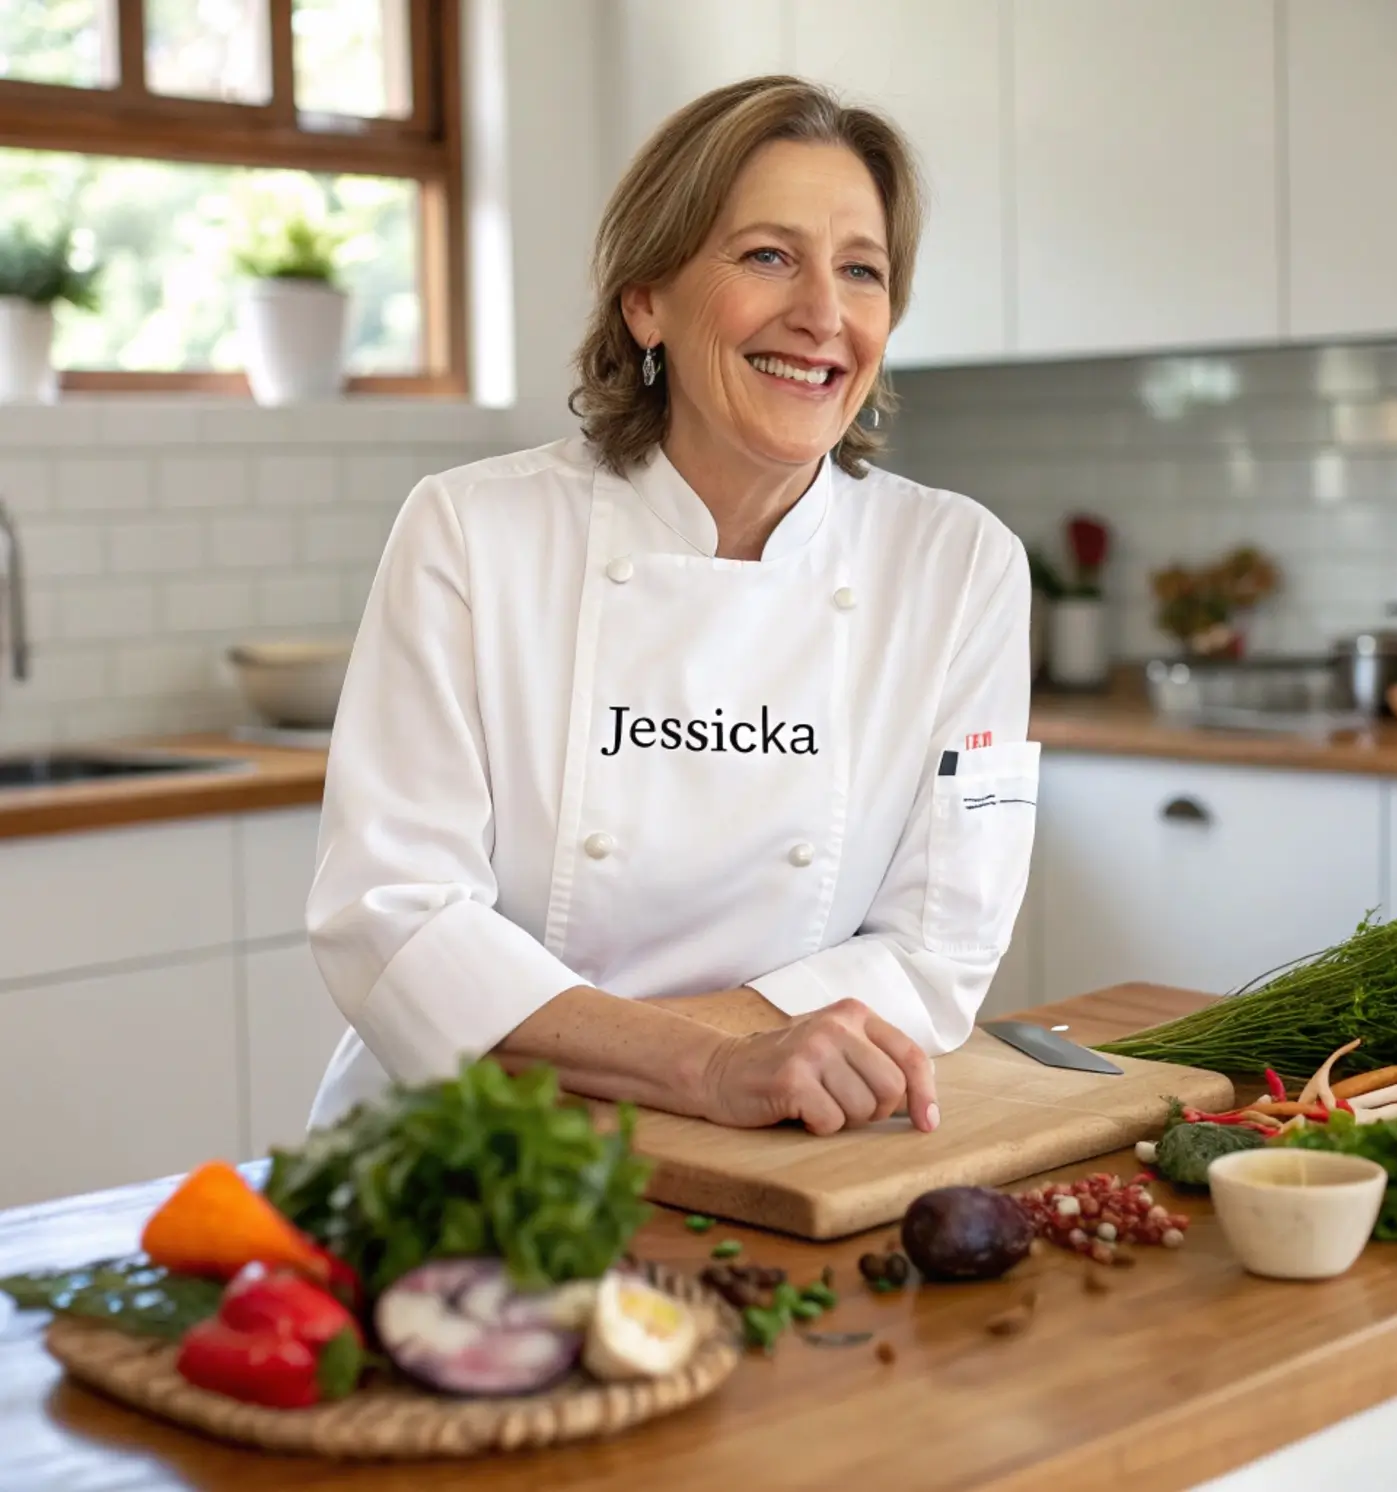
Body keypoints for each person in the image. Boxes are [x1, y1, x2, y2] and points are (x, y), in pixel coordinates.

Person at [305, 75, 1038, 1139]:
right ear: (644, 299)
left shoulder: (961, 564)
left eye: (862, 271)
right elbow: (389, 916)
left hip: (778, 1151)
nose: (824, 315)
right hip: (472, 1149)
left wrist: (730, 1073)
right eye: (767, 256)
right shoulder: (473, 530)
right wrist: (707, 1067)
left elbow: (941, 942)